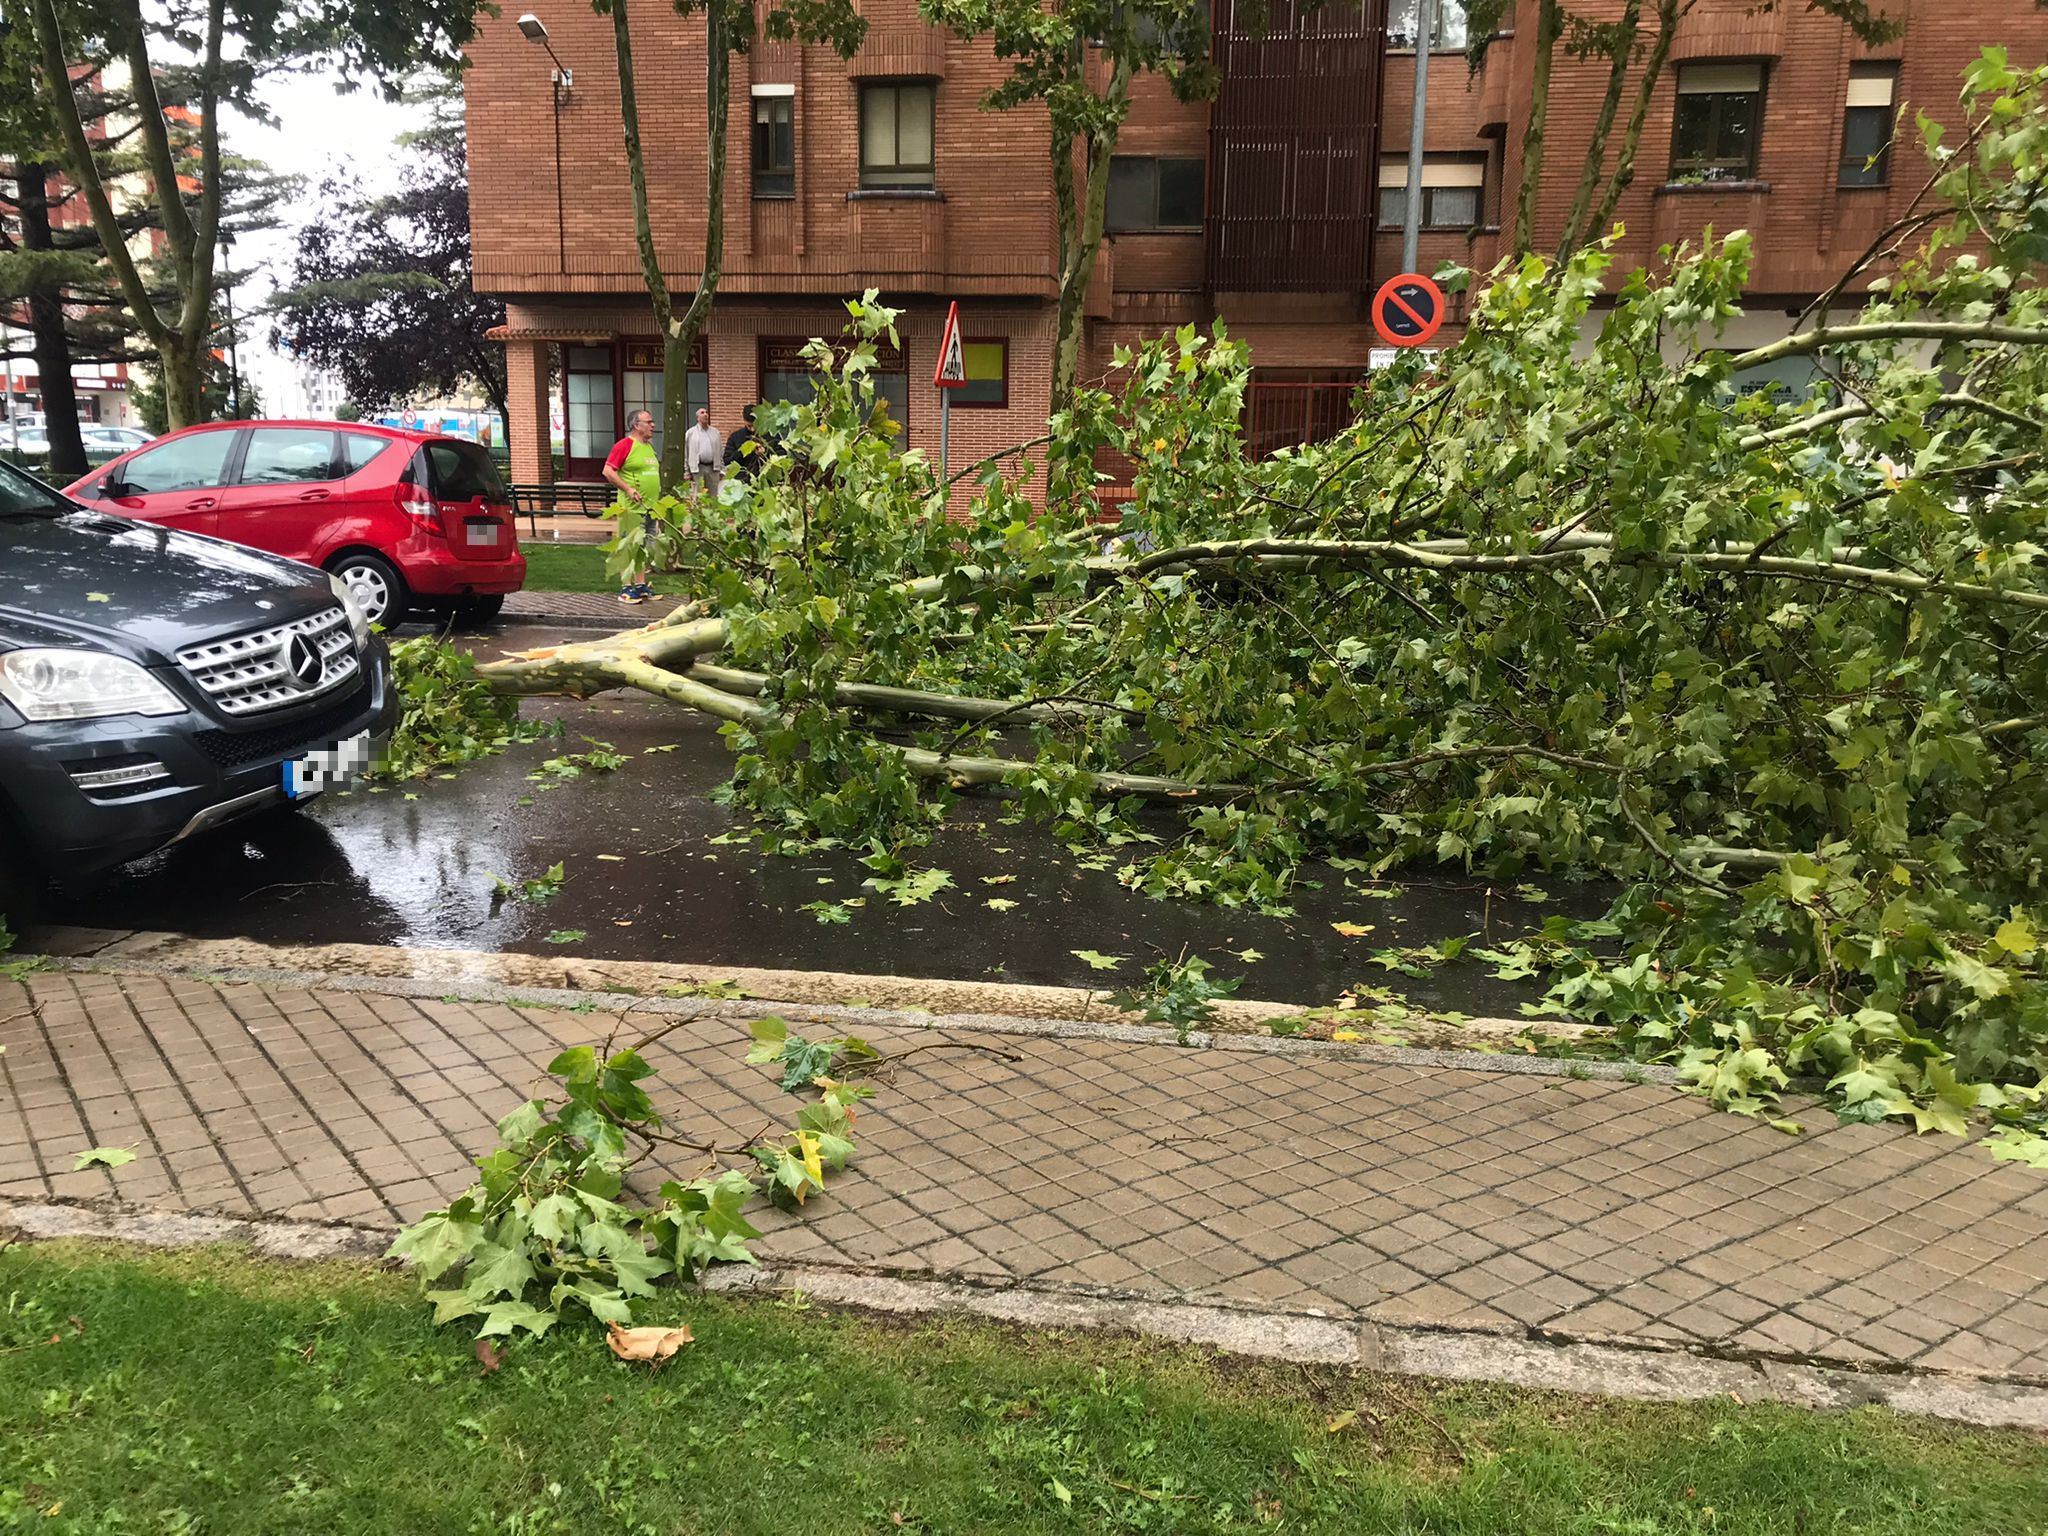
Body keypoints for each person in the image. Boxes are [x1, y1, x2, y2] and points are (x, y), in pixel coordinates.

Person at [603, 408, 660, 604]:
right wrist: (628, 489)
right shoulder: (624, 445)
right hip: (631, 510)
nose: (653, 425)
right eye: (649, 421)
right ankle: (626, 588)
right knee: (628, 547)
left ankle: (641, 585)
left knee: (643, 549)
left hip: (650, 508)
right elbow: (608, 471)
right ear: (637, 425)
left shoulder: (649, 446)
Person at [683, 406, 722, 501]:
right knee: (698, 496)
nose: (705, 414)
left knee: (713, 496)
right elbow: (686, 452)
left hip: (713, 468)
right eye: (702, 413)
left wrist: (722, 469)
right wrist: (687, 471)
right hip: (698, 468)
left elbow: (720, 451)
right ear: (697, 418)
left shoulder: (715, 432)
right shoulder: (690, 433)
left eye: (706, 412)